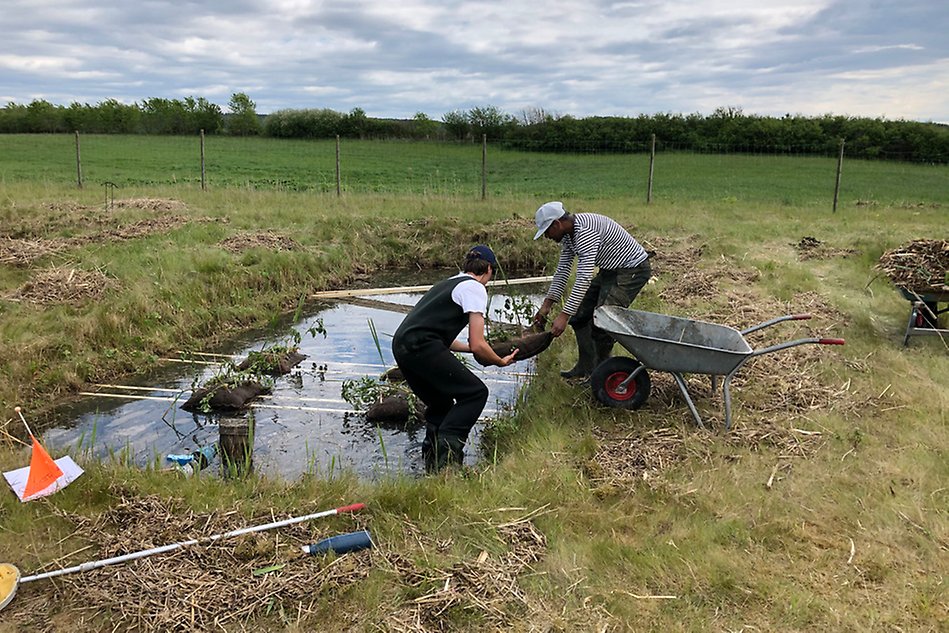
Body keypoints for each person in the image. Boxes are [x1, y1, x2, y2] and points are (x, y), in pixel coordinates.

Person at [392, 245, 519, 471]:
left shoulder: (447, 283)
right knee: (475, 393)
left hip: (403, 345)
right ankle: (448, 462)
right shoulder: (475, 288)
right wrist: (499, 360)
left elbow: (443, 338)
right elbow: (479, 343)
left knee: (440, 403)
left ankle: (432, 464)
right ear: (489, 269)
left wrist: (472, 349)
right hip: (422, 346)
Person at [531, 201, 651, 379]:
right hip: (610, 269)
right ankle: (585, 367)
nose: (547, 237)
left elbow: (584, 278)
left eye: (547, 231)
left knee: (603, 322)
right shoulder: (569, 235)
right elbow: (563, 269)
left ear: (557, 224)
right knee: (580, 316)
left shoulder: (585, 233)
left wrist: (563, 316)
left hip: (632, 269)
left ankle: (601, 375)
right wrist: (547, 305)